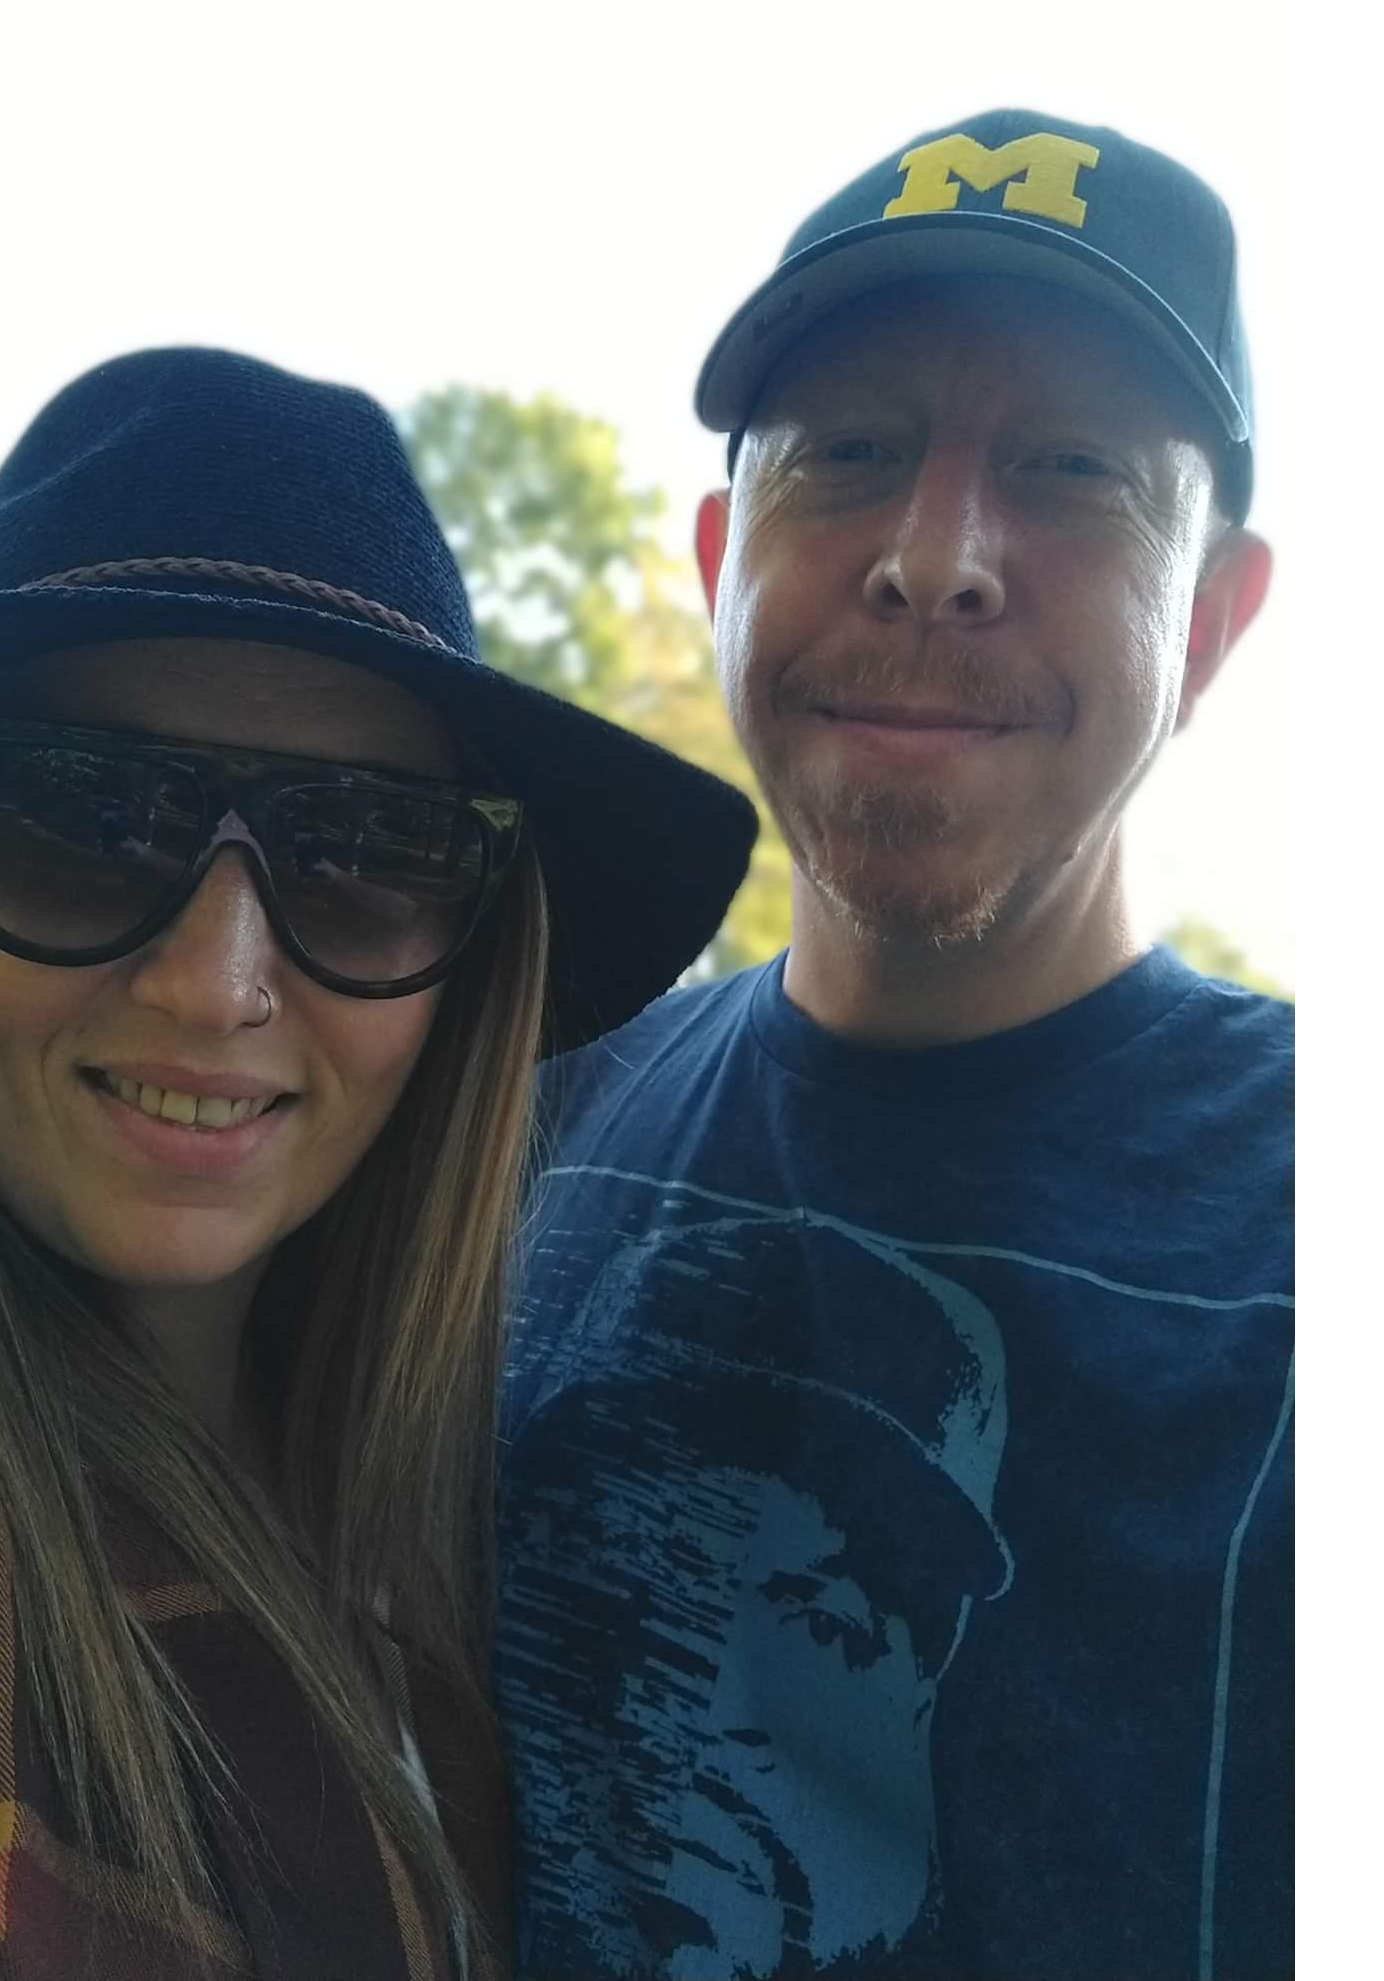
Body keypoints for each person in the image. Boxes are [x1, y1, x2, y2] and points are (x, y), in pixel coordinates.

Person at [0, 346, 755, 1980]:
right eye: (83, 819)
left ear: (468, 958)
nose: (217, 986)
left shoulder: (451, 1545)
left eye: (365, 852)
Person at [496, 108, 1291, 1980]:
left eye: (1072, 471)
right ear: (722, 556)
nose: (937, 560)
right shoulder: (525, 1131)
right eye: (847, 455)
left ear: (1212, 619)